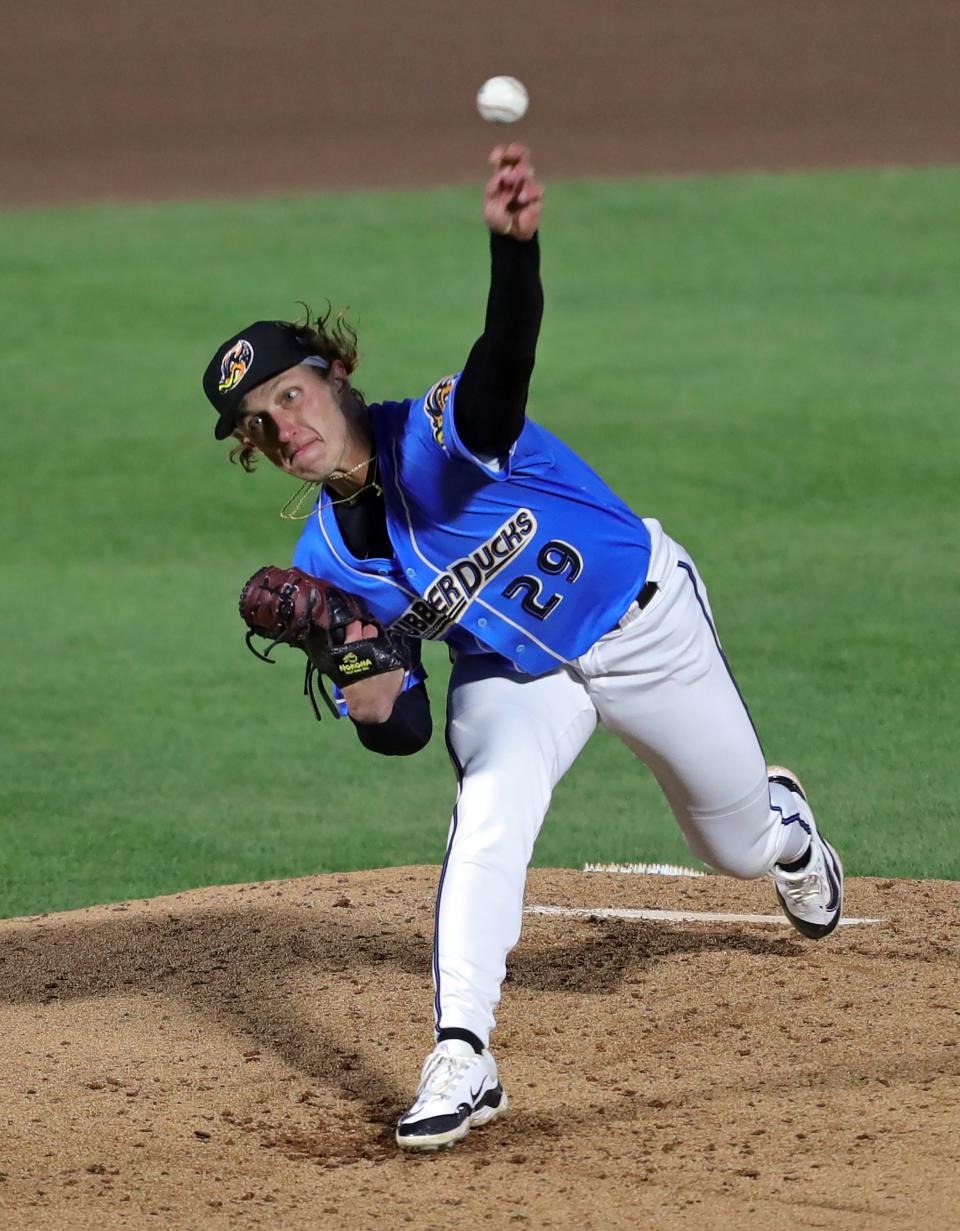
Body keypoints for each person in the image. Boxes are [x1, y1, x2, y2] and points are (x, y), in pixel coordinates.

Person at [202, 144, 844, 1153]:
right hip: (513, 678)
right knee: (488, 804)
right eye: (258, 423)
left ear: (335, 376)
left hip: (643, 626)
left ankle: (787, 827)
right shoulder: (322, 559)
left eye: (290, 395)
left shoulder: (441, 426)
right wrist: (354, 664)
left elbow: (508, 363)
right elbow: (404, 725)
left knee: (733, 848)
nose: (283, 428)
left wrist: (514, 252)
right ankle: (464, 1049)